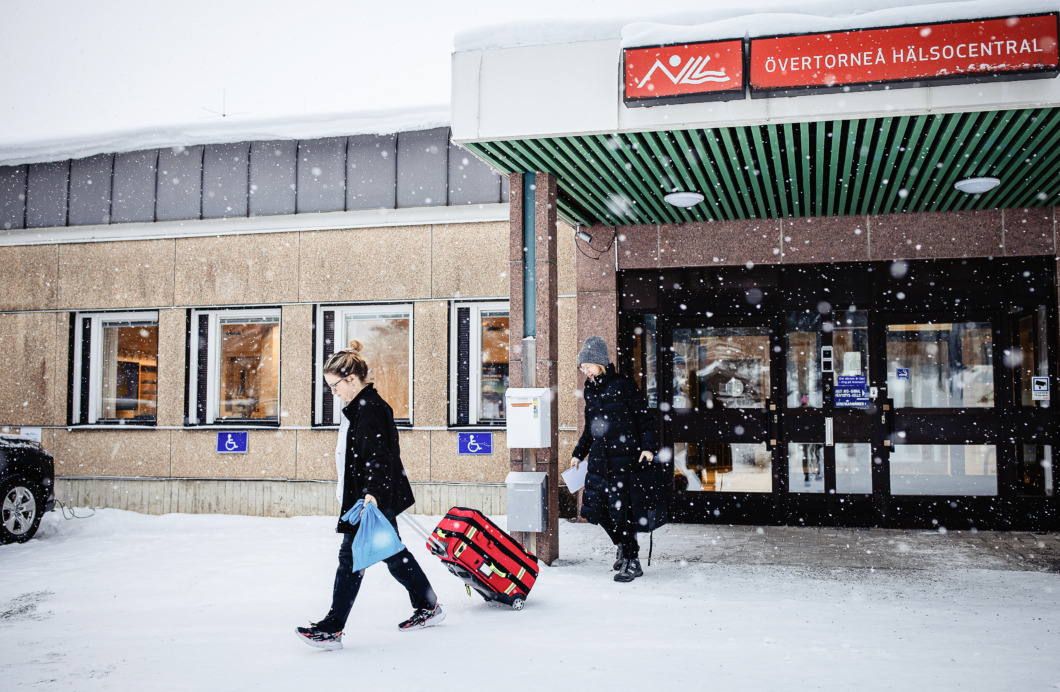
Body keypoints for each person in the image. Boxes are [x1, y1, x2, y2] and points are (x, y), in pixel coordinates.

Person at [296, 339, 443, 650]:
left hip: (370, 500)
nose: (332, 392)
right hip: (370, 498)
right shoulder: (361, 407)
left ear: (351, 379)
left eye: (334, 386)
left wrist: (371, 495)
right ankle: (428, 605)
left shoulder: (369, 408)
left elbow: (378, 457)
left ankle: (333, 628)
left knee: (351, 559)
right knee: (392, 554)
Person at [569, 335, 661, 583]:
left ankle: (633, 561)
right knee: (596, 510)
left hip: (625, 460)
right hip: (600, 461)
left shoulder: (623, 385)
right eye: (582, 367)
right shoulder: (590, 390)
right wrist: (579, 453)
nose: (585, 371)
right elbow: (590, 428)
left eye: (587, 366)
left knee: (623, 513)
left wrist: (648, 448)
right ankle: (622, 544)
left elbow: (644, 418)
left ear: (599, 362)